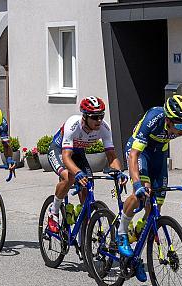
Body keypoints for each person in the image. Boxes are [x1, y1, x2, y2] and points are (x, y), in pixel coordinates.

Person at [118, 94, 182, 282]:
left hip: (159, 155)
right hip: (140, 152)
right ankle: (122, 232)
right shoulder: (153, 118)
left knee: (156, 207)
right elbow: (134, 154)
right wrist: (137, 183)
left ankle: (135, 252)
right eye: (179, 126)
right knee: (142, 193)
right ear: (168, 120)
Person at [45, 96, 127, 233]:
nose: (99, 120)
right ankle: (53, 212)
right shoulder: (73, 125)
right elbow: (66, 157)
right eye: (94, 117)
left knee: (87, 187)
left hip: (78, 153)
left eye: (101, 116)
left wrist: (119, 173)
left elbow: (112, 156)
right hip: (59, 151)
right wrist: (77, 172)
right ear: (84, 117)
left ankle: (83, 231)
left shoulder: (104, 128)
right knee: (69, 177)